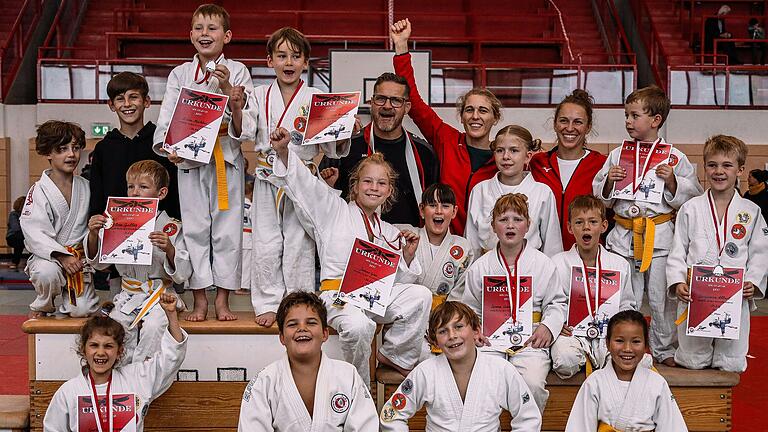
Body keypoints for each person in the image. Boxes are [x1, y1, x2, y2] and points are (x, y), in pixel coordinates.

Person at [269, 126, 433, 386]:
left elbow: (397, 280)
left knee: (421, 296)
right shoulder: (334, 210)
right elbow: (308, 188)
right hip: (339, 297)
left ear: (389, 191)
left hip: (373, 297)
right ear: (355, 187)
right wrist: (283, 151)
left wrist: (408, 256)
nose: (374, 188)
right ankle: (360, 385)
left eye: (382, 183)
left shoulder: (389, 231)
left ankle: (394, 357)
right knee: (359, 326)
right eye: (367, 181)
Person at [153, 4, 253, 321]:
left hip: (225, 157)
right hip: (190, 160)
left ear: (227, 36)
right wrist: (169, 147)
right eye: (198, 28)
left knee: (227, 231)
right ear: (190, 35)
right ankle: (199, 299)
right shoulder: (180, 74)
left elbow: (244, 124)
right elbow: (167, 117)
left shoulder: (238, 71)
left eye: (212, 28)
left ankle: (222, 300)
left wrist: (227, 91)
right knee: (195, 230)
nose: (204, 34)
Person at [593, 85, 703, 366]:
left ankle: (664, 349)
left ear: (655, 120)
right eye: (626, 116)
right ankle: (622, 348)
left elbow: (692, 194)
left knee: (660, 298)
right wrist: (609, 181)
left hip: (659, 236)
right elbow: (598, 193)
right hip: (623, 236)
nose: (628, 121)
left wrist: (672, 182)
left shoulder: (674, 156)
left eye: (634, 115)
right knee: (624, 295)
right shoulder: (618, 154)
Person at [249, 26, 352, 328]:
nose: (289, 62)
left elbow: (332, 146)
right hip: (268, 177)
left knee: (299, 243)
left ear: (306, 62)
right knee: (266, 242)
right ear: (270, 61)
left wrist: (347, 131)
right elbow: (243, 132)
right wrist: (236, 104)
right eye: (282, 56)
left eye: (296, 56)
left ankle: (298, 302)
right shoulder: (259, 95)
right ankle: (268, 302)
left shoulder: (317, 97)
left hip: (303, 178)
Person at [668, 135, 768, 372]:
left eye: (727, 165)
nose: (718, 171)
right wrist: (677, 282)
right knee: (692, 358)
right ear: (705, 167)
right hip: (695, 295)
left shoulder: (751, 211)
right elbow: (678, 251)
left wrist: (753, 282)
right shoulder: (690, 209)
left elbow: (760, 253)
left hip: (735, 295)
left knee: (730, 360)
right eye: (712, 165)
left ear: (740, 170)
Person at [391, 18, 500, 235]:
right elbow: (414, 103)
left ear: (495, 118)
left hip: (487, 251)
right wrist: (402, 47)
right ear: (461, 116)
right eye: (469, 110)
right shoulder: (447, 139)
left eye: (483, 111)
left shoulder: (503, 158)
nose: (475, 116)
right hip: (444, 245)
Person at [462, 193, 567, 413]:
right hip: (489, 341)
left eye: (517, 219)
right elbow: (469, 308)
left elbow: (557, 304)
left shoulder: (543, 264)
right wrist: (474, 330)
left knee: (532, 383)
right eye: (503, 219)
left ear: (528, 225)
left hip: (530, 340)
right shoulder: (480, 267)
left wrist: (548, 327)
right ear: (493, 226)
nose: (510, 225)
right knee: (481, 381)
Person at [84, 160, 191, 363]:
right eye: (131, 187)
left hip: (161, 295)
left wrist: (169, 249)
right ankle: (122, 376)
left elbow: (184, 273)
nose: (134, 193)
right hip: (128, 293)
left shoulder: (171, 227)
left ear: (161, 193)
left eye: (143, 187)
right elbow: (100, 264)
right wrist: (93, 233)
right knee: (115, 327)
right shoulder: (115, 222)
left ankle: (142, 375)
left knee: (154, 327)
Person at [380, 301, 542, 431]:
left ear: (476, 331)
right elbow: (392, 416)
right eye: (443, 331)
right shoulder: (425, 372)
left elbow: (528, 418)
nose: (452, 336)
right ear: (434, 341)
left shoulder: (501, 370)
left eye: (458, 327)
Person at [43, 293, 188, 432]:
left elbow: (171, 358)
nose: (101, 352)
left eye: (108, 346)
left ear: (119, 351)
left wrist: (171, 315)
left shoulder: (136, 379)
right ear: (83, 349)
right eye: (94, 345)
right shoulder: (68, 392)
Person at [237, 292, 379, 431]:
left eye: (311, 323)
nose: (302, 328)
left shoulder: (348, 376)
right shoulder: (264, 382)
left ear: (324, 334)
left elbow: (365, 426)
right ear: (282, 338)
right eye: (292, 324)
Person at [320, 72, 439, 226]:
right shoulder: (346, 145)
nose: (387, 106)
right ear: (372, 102)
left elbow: (434, 205)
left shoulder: (424, 152)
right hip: (357, 241)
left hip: (407, 243)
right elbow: (319, 191)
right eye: (381, 99)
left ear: (407, 107)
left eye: (396, 100)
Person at [550, 195, 636, 379]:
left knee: (636, 361)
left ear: (604, 226)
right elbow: (550, 303)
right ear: (569, 227)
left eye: (593, 222)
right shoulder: (557, 263)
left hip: (608, 332)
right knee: (565, 360)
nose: (586, 227)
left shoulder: (619, 264)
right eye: (579, 222)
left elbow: (627, 305)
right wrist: (557, 323)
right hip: (572, 332)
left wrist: (618, 328)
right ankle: (585, 358)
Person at [21, 121, 99, 318]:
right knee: (46, 273)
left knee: (82, 311)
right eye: (62, 149)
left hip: (78, 261)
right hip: (51, 258)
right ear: (48, 153)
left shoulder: (87, 187)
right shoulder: (39, 190)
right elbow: (33, 232)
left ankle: (72, 304)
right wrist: (62, 256)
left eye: (75, 148)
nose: (71, 154)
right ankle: (43, 304)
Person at [565, 310, 688, 431]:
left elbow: (672, 426)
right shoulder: (595, 383)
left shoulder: (657, 383)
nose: (627, 349)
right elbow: (579, 426)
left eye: (636, 342)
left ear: (646, 345)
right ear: (607, 343)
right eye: (619, 341)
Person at [90, 72, 180, 220]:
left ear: (146, 101)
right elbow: (98, 197)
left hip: (159, 231)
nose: (127, 104)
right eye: (120, 99)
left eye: (133, 97)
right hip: (116, 230)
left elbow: (175, 192)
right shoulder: (104, 148)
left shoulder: (162, 143)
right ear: (111, 105)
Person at [465, 125, 562, 258]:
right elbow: (471, 242)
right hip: (487, 271)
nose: (506, 156)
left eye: (514, 150)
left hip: (530, 271)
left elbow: (552, 245)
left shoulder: (543, 193)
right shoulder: (480, 190)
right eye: (500, 150)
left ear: (528, 157)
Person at [529, 89, 607, 250]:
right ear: (555, 124)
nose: (569, 128)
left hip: (585, 259)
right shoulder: (537, 163)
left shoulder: (601, 165)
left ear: (588, 127)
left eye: (578, 122)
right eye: (564, 121)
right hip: (543, 258)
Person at [396, 183, 474, 306]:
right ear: (422, 210)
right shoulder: (405, 236)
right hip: (407, 312)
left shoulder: (463, 247)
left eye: (445, 206)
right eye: (432, 205)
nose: (438, 211)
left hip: (444, 318)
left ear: (454, 211)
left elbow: (460, 293)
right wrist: (407, 257)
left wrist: (445, 318)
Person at [236, 180, 254, 295]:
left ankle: (235, 284)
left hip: (238, 236)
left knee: (238, 263)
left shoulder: (237, 206)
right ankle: (243, 287)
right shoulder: (250, 206)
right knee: (246, 264)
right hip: (248, 236)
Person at [6, 196, 25, 270]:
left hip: (23, 235)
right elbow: (15, 228)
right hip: (13, 236)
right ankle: (15, 262)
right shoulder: (14, 214)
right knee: (20, 240)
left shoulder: (28, 215)